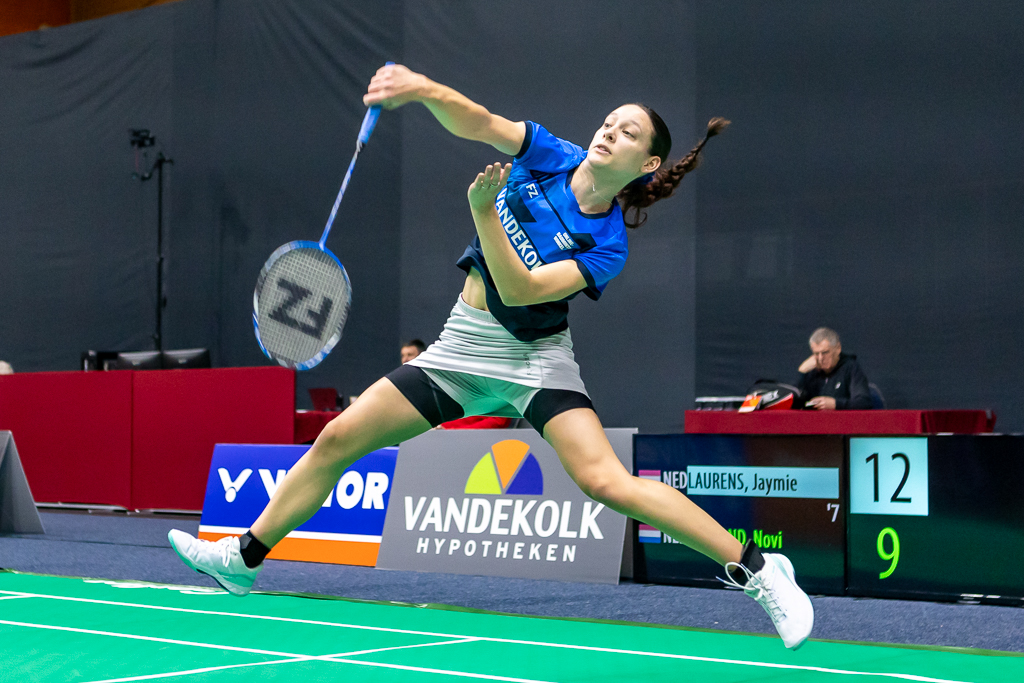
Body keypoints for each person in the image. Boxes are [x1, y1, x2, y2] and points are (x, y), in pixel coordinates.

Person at [169, 64, 813, 650]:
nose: (609, 132)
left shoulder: (607, 243)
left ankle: (760, 571)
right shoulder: (552, 155)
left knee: (606, 483)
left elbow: (523, 290)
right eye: (609, 121)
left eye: (628, 133)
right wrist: (421, 89)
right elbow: (479, 122)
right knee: (338, 438)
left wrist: (484, 215)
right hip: (460, 345)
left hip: (535, 360)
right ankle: (244, 559)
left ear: (648, 163)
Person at [797, 327, 872, 410]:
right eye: (816, 354)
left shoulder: (850, 368)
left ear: (838, 348)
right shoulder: (811, 371)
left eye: (825, 352)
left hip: (842, 417)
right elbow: (793, 401)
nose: (820, 358)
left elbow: (863, 403)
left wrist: (836, 404)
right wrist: (802, 373)